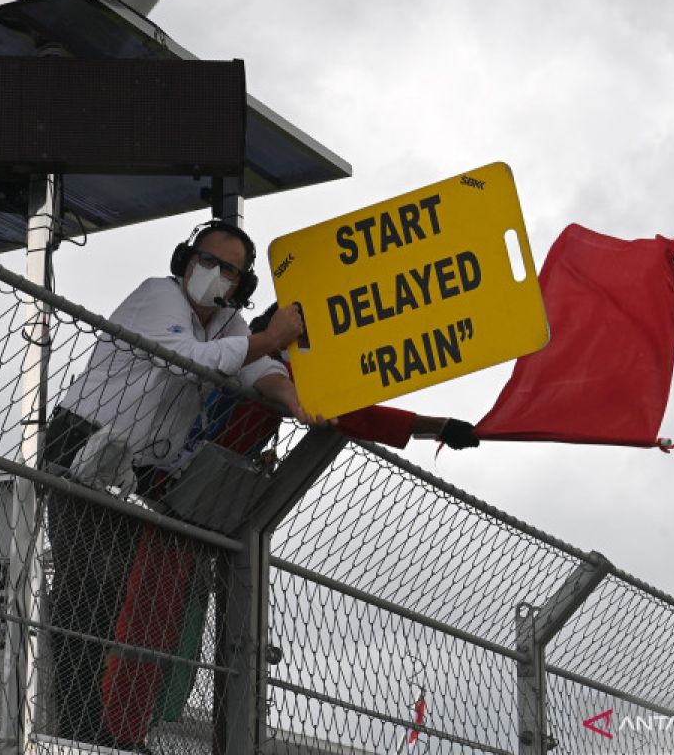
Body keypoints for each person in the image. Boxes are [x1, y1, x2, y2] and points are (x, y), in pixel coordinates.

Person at [41, 220, 310, 747]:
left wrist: (298, 402)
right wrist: (272, 338)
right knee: (84, 585)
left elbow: (252, 374)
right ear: (184, 261)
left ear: (242, 286)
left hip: (134, 463)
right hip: (84, 439)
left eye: (229, 271)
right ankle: (74, 723)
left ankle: (93, 723)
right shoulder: (157, 296)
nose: (214, 275)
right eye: (206, 261)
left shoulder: (229, 324)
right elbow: (187, 360)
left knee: (112, 592)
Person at [183, 302, 480, 462]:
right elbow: (353, 412)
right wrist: (439, 426)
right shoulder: (272, 364)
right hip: (186, 467)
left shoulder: (244, 355)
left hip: (206, 469)